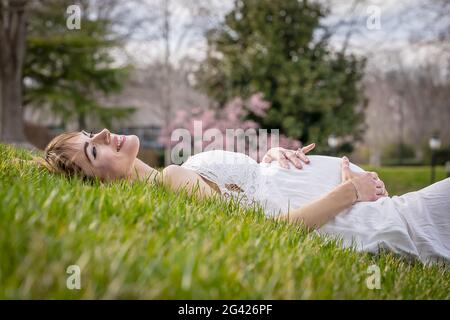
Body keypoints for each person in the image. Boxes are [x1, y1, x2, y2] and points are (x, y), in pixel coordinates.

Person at [35, 128, 450, 264]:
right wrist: (348, 191)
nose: (105, 135)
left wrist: (268, 160)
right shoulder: (171, 181)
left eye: (91, 135)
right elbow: (271, 233)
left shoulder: (178, 174)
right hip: (356, 217)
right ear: (101, 185)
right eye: (94, 150)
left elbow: (247, 196)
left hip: (362, 205)